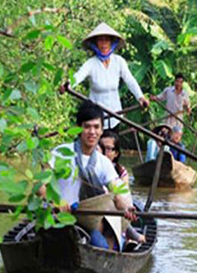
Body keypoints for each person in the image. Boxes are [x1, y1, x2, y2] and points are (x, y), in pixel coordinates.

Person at [41, 101, 135, 251]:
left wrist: (127, 208)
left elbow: (117, 193)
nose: (92, 132)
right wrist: (56, 201)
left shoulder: (103, 163)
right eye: (87, 127)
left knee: (101, 246)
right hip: (58, 216)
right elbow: (40, 186)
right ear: (78, 128)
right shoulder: (61, 153)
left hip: (86, 221)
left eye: (96, 127)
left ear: (102, 130)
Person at [60, 22, 150, 130]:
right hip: (96, 117)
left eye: (106, 40)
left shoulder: (118, 61)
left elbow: (130, 80)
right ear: (95, 43)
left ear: (112, 43)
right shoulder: (91, 63)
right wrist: (68, 85)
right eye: (100, 40)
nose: (103, 44)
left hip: (115, 115)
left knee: (112, 144)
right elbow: (79, 76)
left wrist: (140, 97)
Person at [99, 130, 146, 246]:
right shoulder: (93, 167)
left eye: (109, 149)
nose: (105, 153)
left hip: (116, 210)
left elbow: (124, 196)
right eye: (102, 148)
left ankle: (127, 237)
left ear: (116, 153)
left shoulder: (120, 172)